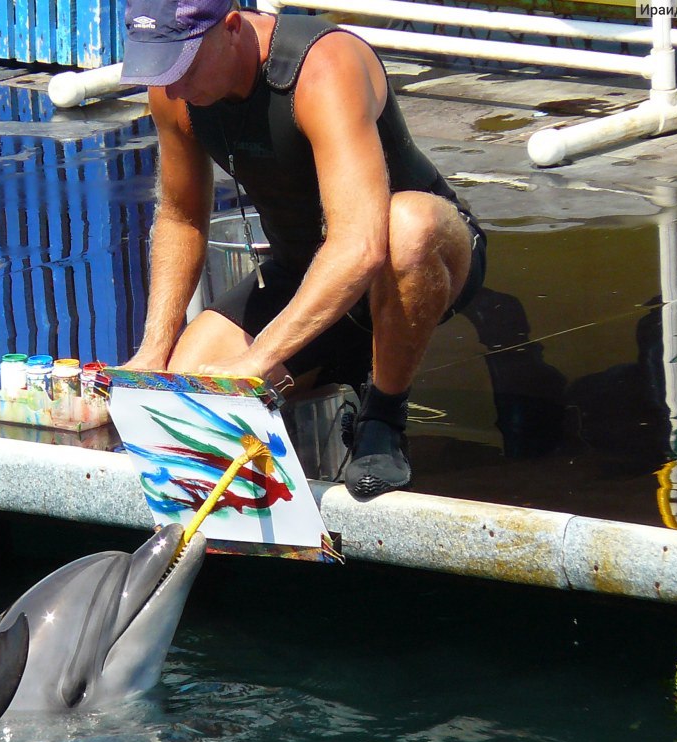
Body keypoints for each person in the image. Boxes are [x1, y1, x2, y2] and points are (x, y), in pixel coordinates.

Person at [119, 0, 487, 499]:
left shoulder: (323, 65)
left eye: (183, 66)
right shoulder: (173, 92)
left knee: (406, 226)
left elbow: (360, 245)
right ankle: (340, 373)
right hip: (301, 269)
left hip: (410, 255)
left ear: (230, 27)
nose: (174, 85)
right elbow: (182, 219)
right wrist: (152, 353)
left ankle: (383, 418)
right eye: (160, 69)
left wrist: (256, 362)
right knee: (195, 400)